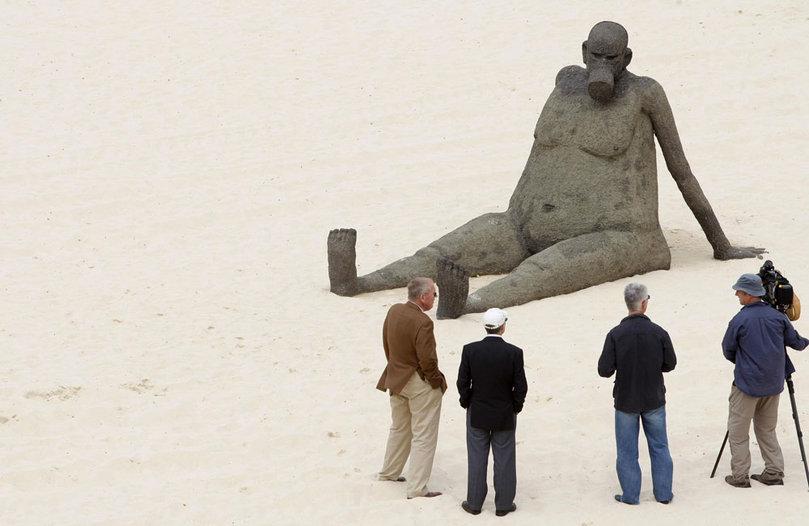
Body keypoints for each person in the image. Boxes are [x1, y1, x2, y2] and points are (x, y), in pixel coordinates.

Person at [327, 20, 763, 318]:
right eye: (596, 56)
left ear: (627, 58)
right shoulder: (564, 82)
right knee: (443, 251)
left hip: (619, 234)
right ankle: (358, 282)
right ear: (583, 52)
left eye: (612, 59)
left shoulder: (644, 94)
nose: (603, 67)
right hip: (521, 223)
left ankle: (471, 304)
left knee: (543, 273)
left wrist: (720, 245)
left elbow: (680, 169)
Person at [721, 273, 809, 487]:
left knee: (738, 431)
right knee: (767, 429)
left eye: (739, 291)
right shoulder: (778, 317)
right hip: (773, 384)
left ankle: (740, 477)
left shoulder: (739, 319)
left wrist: (744, 363)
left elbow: (728, 350)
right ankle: (774, 472)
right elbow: (797, 343)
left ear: (750, 294)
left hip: (746, 385)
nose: (736, 294)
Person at [598, 283, 676, 504]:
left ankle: (631, 495)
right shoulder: (659, 332)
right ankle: (663, 494)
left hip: (625, 400)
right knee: (659, 446)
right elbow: (670, 364)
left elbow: (604, 370)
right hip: (654, 398)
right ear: (644, 304)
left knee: (626, 451)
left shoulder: (615, 334)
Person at [376, 277, 447, 498]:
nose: (435, 298)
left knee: (399, 428)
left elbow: (386, 344)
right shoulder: (423, 322)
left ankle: (389, 472)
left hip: (396, 377)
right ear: (423, 296)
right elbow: (427, 359)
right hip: (417, 381)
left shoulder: (394, 311)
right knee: (424, 434)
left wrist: (396, 367)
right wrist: (436, 381)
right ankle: (417, 488)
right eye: (433, 294)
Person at [457, 308, 527, 517]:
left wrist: (467, 401)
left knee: (477, 458)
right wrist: (515, 406)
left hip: (478, 411)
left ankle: (474, 503)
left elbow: (462, 382)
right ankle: (504, 504)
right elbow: (520, 386)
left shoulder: (470, 350)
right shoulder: (514, 352)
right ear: (502, 327)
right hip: (504, 412)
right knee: (504, 459)